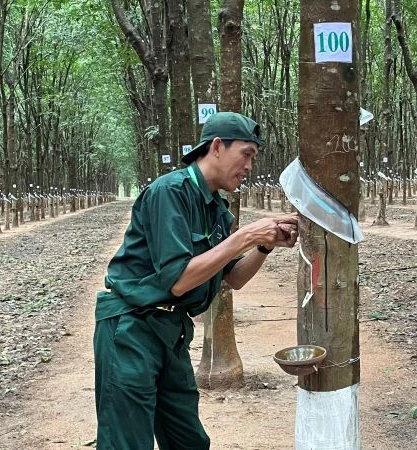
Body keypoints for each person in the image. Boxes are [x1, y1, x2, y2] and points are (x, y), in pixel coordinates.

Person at [93, 112, 298, 450]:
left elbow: (233, 278)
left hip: (172, 331)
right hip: (130, 328)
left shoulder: (217, 208)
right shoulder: (169, 192)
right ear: (217, 147)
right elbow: (178, 279)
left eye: (253, 158)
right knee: (126, 442)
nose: (249, 166)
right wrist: (246, 235)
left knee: (187, 440)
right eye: (246, 154)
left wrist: (264, 245)